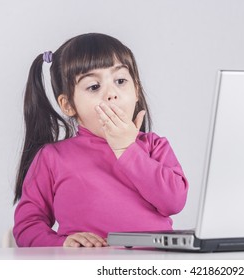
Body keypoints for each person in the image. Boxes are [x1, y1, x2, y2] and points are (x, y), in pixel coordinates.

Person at [13, 33, 189, 247]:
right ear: (68, 105)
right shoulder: (52, 157)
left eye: (120, 81)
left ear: (136, 92)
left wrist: (127, 149)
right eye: (94, 87)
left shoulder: (154, 146)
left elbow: (174, 202)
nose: (111, 94)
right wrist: (62, 244)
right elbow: (27, 225)